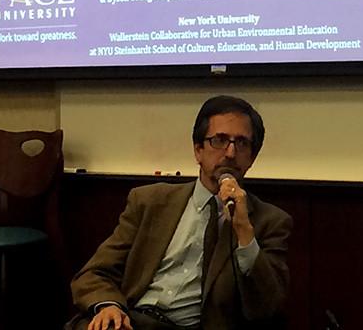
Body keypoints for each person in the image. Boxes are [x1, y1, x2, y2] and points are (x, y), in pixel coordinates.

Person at [67, 96, 292, 330]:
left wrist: (244, 230)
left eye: (242, 143)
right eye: (219, 140)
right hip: (129, 320)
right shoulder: (150, 202)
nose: (230, 153)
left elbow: (267, 307)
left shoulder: (270, 222)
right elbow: (95, 272)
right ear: (198, 150)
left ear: (251, 158)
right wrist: (109, 305)